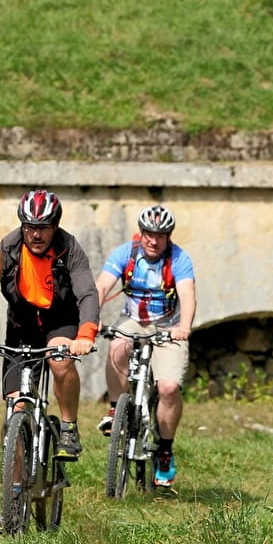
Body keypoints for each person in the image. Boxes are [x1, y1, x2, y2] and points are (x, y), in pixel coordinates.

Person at [0, 189, 98, 460]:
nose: (35, 234)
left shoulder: (69, 247)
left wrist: (86, 334)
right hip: (21, 328)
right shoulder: (9, 247)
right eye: (29, 227)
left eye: (43, 228)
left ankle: (68, 427)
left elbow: (87, 293)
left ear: (55, 227)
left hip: (60, 322)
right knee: (15, 406)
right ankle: (16, 480)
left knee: (60, 361)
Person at [93, 204, 197, 488]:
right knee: (117, 346)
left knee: (168, 388)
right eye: (149, 234)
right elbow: (101, 287)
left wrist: (184, 327)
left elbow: (187, 295)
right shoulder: (125, 253)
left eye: (160, 236)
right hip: (133, 320)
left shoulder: (179, 259)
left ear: (168, 237)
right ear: (141, 234)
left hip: (168, 326)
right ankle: (115, 410)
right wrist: (93, 318)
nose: (154, 241)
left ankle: (164, 451)